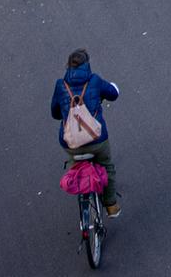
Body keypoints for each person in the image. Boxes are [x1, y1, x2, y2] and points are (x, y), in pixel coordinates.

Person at [50, 50, 121, 217]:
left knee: (76, 166)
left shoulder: (61, 85)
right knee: (107, 166)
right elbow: (113, 94)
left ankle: (80, 183)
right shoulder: (94, 80)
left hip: (72, 143)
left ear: (68, 67)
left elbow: (55, 114)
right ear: (87, 65)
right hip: (97, 140)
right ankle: (111, 205)